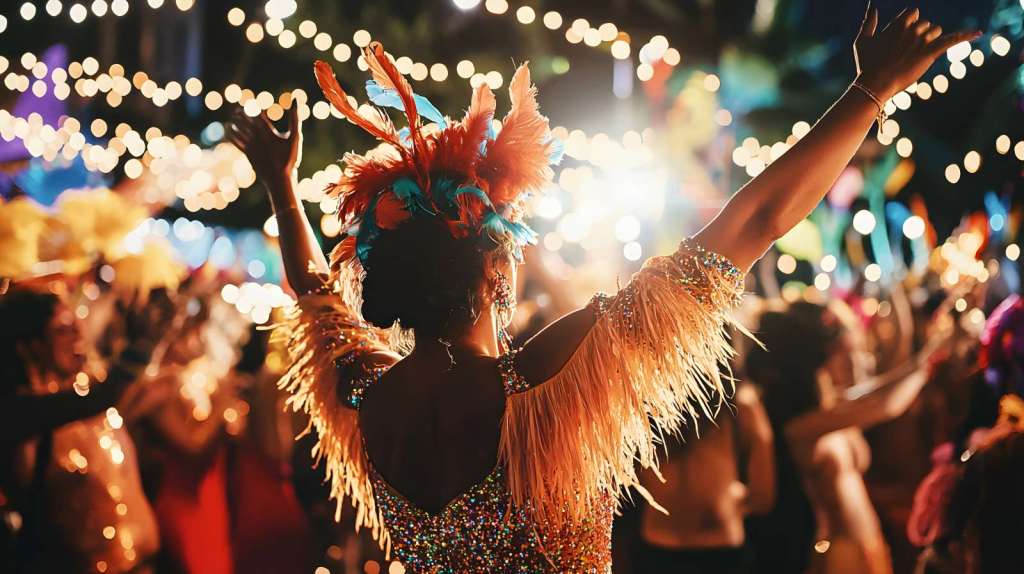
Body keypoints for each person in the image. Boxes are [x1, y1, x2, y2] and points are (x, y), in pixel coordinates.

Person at [228, 10, 977, 570]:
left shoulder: (367, 394)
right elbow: (752, 224)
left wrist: (283, 190)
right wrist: (871, 90)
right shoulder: (548, 378)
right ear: (497, 274)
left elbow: (314, 294)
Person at [747, 301, 949, 574]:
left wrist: (934, 346)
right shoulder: (800, 427)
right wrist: (929, 363)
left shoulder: (831, 409)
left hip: (869, 543)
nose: (849, 363)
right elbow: (886, 405)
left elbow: (881, 388)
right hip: (838, 554)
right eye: (838, 355)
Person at [0, 287, 162, 573]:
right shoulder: (19, 414)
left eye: (78, 326)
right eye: (63, 330)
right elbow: (100, 397)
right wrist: (142, 344)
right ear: (28, 346)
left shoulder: (85, 390)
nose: (80, 337)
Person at [633, 383, 775, 574]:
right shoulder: (738, 402)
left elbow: (762, 497)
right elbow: (762, 496)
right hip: (712, 548)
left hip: (662, 546)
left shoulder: (639, 400)